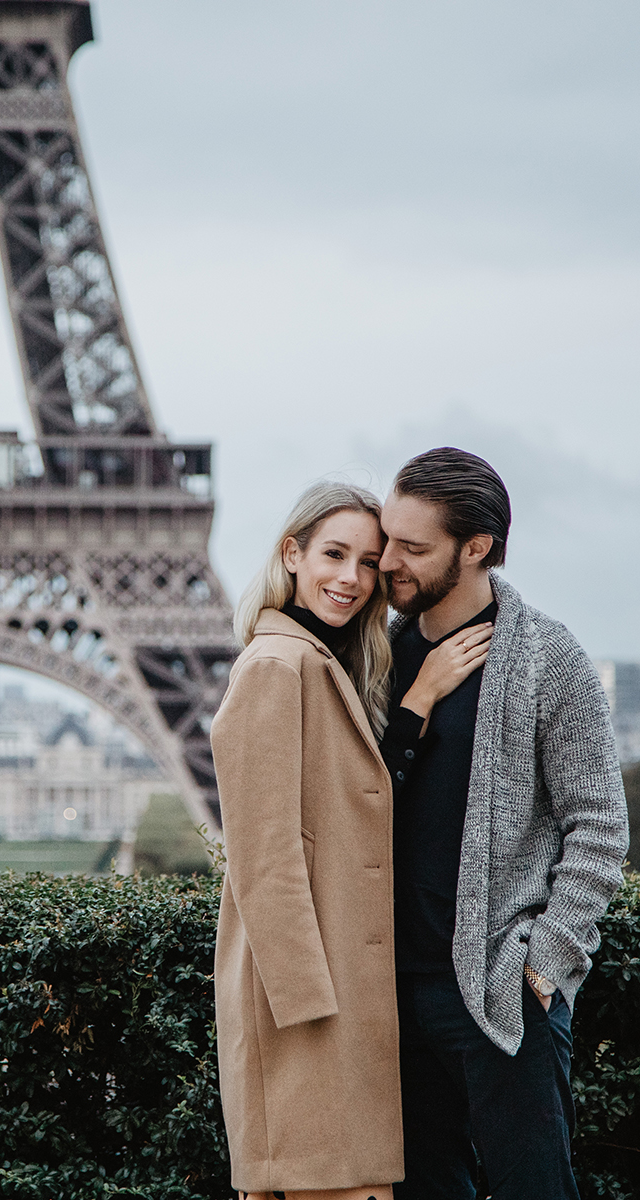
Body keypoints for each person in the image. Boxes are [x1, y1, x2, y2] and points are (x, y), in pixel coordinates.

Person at [212, 480, 485, 1200]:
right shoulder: (276, 666)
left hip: (338, 1001)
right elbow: (262, 856)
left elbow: (352, 802)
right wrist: (312, 1010)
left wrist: (417, 701)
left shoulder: (323, 662)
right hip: (307, 1012)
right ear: (291, 553)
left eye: (369, 563)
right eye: (335, 554)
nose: (353, 579)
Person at [376, 447, 629, 1200]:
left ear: (476, 548)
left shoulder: (550, 658)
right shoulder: (376, 658)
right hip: (388, 990)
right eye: (387, 537)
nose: (387, 562)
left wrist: (546, 960)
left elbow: (600, 825)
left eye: (413, 548)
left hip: (498, 985)